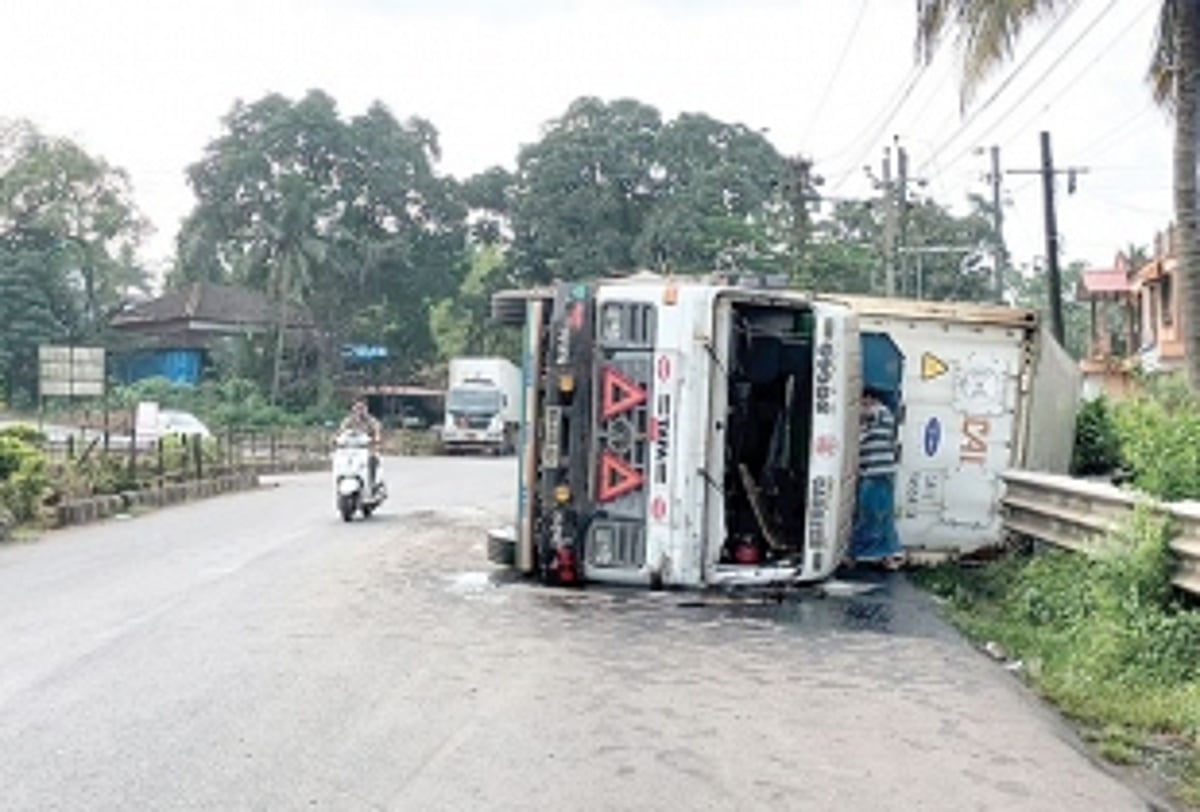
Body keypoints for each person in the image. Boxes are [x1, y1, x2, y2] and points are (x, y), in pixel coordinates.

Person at [847, 388, 905, 570]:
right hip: (876, 472)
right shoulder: (875, 418)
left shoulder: (881, 412)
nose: (860, 404)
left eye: (862, 400)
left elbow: (865, 414)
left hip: (876, 473)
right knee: (882, 515)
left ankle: (853, 553)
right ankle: (890, 554)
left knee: (869, 514)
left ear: (870, 398)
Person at [339, 399, 382, 490]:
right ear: (353, 409)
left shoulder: (371, 421)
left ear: (366, 409)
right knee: (341, 460)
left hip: (367, 449)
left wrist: (376, 439)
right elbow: (341, 432)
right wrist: (337, 439)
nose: (359, 411)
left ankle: (372, 483)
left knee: (373, 459)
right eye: (357, 408)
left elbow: (377, 431)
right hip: (350, 449)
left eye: (362, 408)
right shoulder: (348, 421)